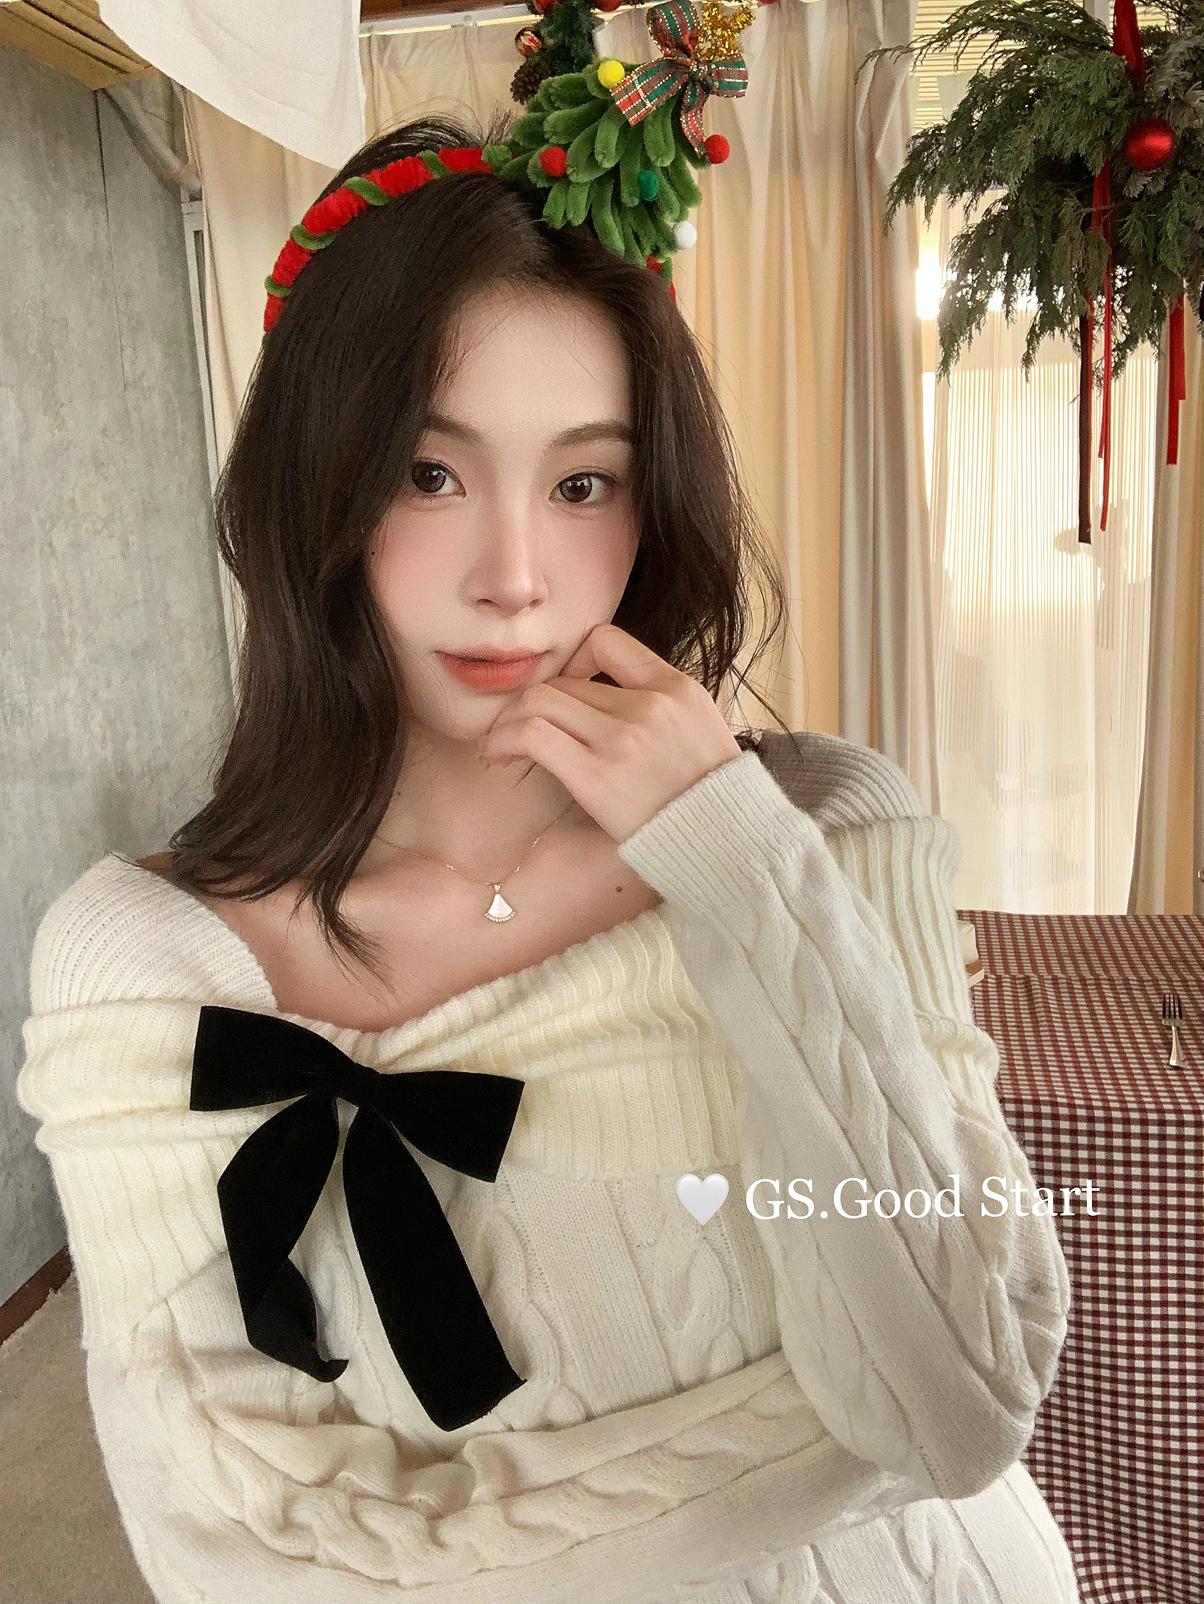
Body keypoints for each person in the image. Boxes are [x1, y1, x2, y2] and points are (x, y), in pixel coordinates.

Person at [17, 111, 1081, 1604]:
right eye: (428, 474)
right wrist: (853, 1435)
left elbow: (965, 1401)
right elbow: (246, 1552)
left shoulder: (822, 825)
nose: (513, 576)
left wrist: (741, 870)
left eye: (584, 484)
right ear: (313, 486)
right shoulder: (154, 961)